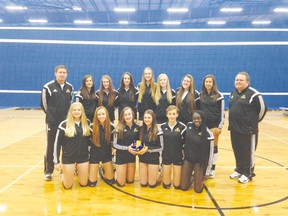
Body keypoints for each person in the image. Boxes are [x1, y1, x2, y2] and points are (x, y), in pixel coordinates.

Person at [229, 71, 267, 183]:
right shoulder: (233, 93)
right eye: (237, 80)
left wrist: (252, 123)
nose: (238, 82)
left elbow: (263, 110)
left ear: (247, 82)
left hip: (248, 131)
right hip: (234, 129)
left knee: (248, 152)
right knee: (237, 150)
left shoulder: (254, 94)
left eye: (241, 80)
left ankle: (248, 173)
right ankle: (239, 170)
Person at [40, 65, 73, 181]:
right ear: (55, 73)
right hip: (52, 122)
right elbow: (44, 105)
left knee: (66, 145)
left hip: (65, 123)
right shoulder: (48, 87)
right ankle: (48, 171)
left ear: (67, 74)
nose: (62, 74)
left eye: (64, 72)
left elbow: (70, 104)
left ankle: (65, 167)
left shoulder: (70, 87)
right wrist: (51, 115)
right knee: (51, 146)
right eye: (60, 72)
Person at [53, 102, 90, 189]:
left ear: (82, 111)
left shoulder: (87, 123)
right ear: (71, 111)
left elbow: (90, 142)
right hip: (68, 157)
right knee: (68, 186)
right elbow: (57, 144)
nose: (76, 112)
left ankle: (77, 171)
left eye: (79, 110)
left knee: (84, 183)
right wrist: (56, 162)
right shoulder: (63, 124)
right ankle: (64, 174)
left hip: (83, 157)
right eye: (74, 110)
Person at [180, 110, 214, 193]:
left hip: (199, 162)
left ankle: (198, 176)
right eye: (194, 119)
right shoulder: (188, 126)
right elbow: (181, 139)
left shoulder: (208, 133)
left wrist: (208, 171)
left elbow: (211, 153)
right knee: (184, 187)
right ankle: (192, 177)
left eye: (199, 119)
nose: (196, 120)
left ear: (202, 119)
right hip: (188, 160)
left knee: (198, 190)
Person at [199, 74, 225, 178]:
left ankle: (212, 168)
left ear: (213, 83)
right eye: (206, 82)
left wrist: (220, 126)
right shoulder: (201, 95)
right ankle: (204, 167)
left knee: (213, 147)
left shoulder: (219, 96)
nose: (208, 83)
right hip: (203, 125)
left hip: (214, 125)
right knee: (204, 147)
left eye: (210, 82)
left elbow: (222, 112)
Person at [160, 105, 186, 189]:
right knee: (166, 185)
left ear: (177, 115)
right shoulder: (162, 127)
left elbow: (186, 143)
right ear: (167, 115)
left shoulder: (182, 127)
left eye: (174, 114)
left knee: (177, 185)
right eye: (170, 114)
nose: (171, 116)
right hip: (165, 157)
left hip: (178, 157)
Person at [113, 107, 140, 186]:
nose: (128, 116)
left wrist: (138, 149)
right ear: (122, 117)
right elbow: (115, 145)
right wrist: (127, 148)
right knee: (121, 184)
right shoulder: (118, 128)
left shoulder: (138, 128)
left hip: (131, 157)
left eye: (129, 114)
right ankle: (116, 172)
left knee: (130, 181)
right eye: (125, 115)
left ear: (133, 115)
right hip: (121, 157)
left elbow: (140, 142)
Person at [89, 106, 115, 186]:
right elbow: (87, 143)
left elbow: (113, 143)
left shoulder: (111, 126)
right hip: (94, 155)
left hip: (106, 155)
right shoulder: (91, 127)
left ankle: (107, 169)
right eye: (99, 114)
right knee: (92, 183)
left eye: (103, 114)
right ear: (96, 116)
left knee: (111, 181)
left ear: (106, 114)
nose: (101, 116)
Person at [138, 109, 163, 188]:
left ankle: (159, 173)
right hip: (142, 158)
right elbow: (138, 142)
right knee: (143, 184)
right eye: (145, 117)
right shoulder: (141, 129)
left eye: (149, 117)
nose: (147, 119)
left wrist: (148, 149)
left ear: (153, 118)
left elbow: (161, 147)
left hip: (153, 158)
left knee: (152, 185)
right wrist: (137, 149)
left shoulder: (158, 130)